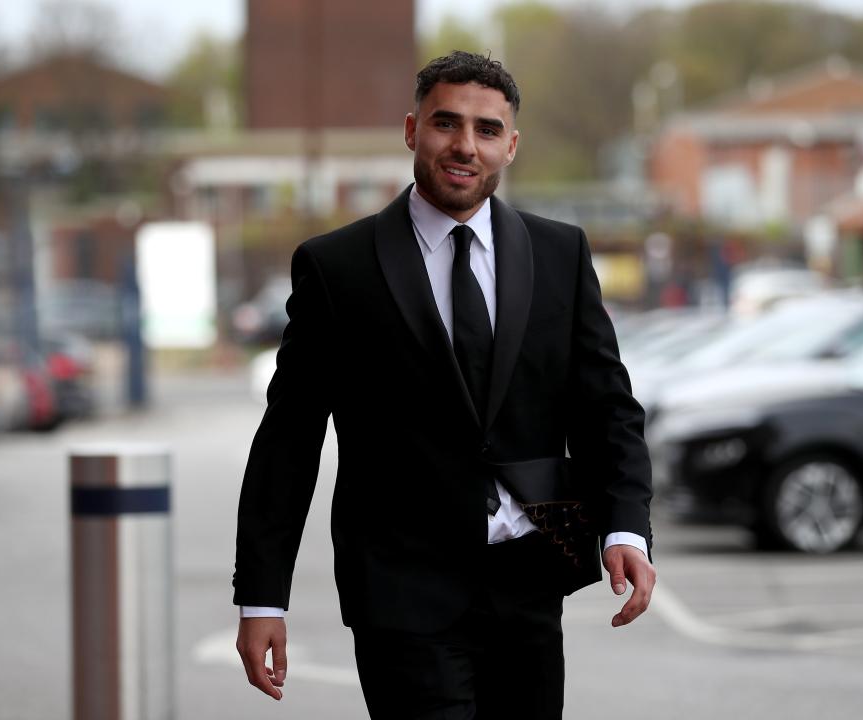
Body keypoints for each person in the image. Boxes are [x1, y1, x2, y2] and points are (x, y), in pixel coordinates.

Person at [233, 50, 655, 719]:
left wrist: (625, 530)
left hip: (528, 582)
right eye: (446, 124)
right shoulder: (337, 268)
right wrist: (262, 595)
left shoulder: (560, 254)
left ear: (510, 146)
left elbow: (607, 408)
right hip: (402, 592)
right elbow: (289, 439)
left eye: (487, 130)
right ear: (412, 130)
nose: (465, 146)